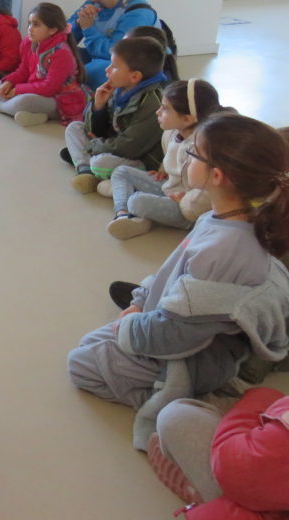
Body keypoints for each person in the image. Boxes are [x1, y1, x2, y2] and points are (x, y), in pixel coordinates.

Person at [67, 113, 289, 451]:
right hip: (167, 322)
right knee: (91, 344)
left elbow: (179, 333)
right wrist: (140, 303)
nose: (185, 155)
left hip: (189, 356)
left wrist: (132, 327)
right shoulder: (220, 216)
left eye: (194, 152)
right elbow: (173, 274)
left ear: (217, 175)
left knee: (80, 365)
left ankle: (177, 401)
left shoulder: (227, 247)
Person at [107, 79, 221, 239]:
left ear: (187, 119)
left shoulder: (201, 146)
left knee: (137, 200)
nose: (158, 112)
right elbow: (170, 153)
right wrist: (162, 169)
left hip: (187, 207)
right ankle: (122, 214)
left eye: (165, 109)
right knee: (121, 172)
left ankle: (134, 210)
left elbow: (206, 189)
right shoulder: (172, 132)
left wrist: (184, 199)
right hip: (169, 189)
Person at [149, 387, 289, 518]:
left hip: (242, 480)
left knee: (175, 415)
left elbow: (239, 469)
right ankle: (204, 493)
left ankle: (195, 488)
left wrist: (260, 398)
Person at [62, 36, 167, 194]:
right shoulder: (120, 88)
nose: (107, 70)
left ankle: (87, 163)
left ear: (135, 76)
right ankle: (86, 171)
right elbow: (95, 129)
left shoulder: (152, 104)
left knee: (101, 162)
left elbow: (129, 147)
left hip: (140, 158)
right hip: (113, 144)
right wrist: (98, 107)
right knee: (74, 128)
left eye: (115, 67)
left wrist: (94, 145)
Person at [0, 2, 88, 126]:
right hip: (35, 89)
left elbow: (49, 88)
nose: (30, 29)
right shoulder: (29, 42)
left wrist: (17, 90)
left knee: (25, 101)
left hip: (59, 100)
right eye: (30, 23)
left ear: (52, 30)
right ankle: (35, 115)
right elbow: (23, 70)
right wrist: (10, 82)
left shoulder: (61, 53)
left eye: (36, 25)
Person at [69, 0, 162, 88]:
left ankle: (66, 96)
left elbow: (116, 53)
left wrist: (88, 28)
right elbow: (61, 38)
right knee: (61, 56)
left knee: (90, 72)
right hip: (104, 57)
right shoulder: (93, 3)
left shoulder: (137, 12)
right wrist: (78, 23)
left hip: (133, 66)